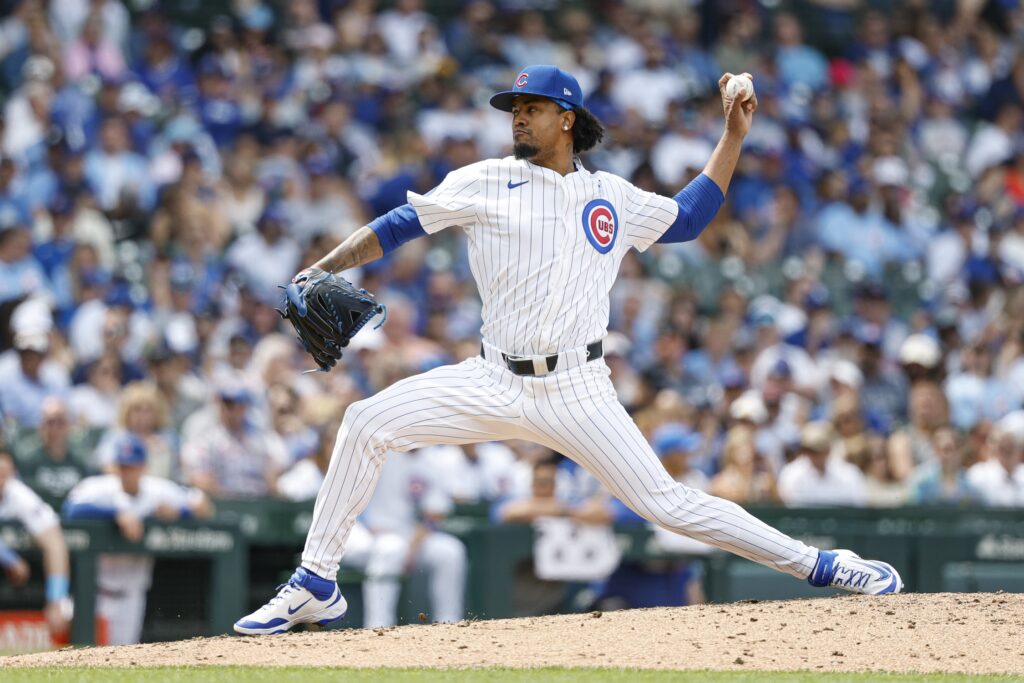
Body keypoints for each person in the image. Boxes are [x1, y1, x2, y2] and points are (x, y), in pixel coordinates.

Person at [236, 64, 902, 635]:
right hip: (493, 378)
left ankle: (821, 564)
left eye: (532, 107)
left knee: (667, 503)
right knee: (363, 422)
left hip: (578, 389)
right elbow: (397, 226)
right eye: (514, 108)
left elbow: (691, 216)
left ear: (567, 118)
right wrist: (324, 265)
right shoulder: (484, 179)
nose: (518, 117)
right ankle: (316, 581)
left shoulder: (608, 195)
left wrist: (732, 135)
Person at [63, 433, 213, 645]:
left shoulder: (156, 489)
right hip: (96, 593)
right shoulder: (101, 487)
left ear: (143, 467)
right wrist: (115, 513)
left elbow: (203, 505)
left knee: (124, 657)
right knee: (86, 655)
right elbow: (70, 509)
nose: (126, 472)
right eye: (122, 466)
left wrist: (180, 512)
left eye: (132, 466)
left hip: (132, 596)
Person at [0, 450, 71, 639]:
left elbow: (55, 544)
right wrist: (9, 558)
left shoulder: (18, 494)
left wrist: (56, 599)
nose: (2, 480)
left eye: (5, 474)